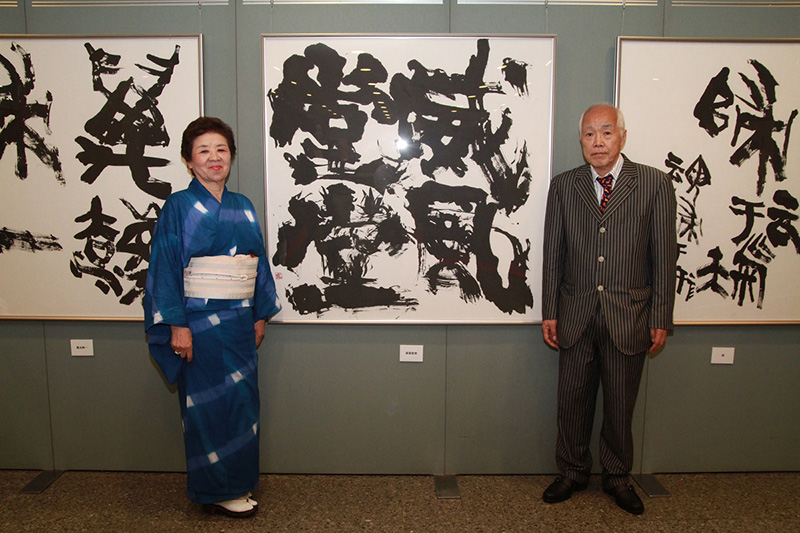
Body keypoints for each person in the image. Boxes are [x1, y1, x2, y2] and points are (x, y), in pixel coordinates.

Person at [540, 104, 677, 515]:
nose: (597, 142)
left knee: (620, 404)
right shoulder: (564, 186)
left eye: (606, 132)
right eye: (589, 134)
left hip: (629, 314)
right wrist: (550, 310)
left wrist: (661, 316)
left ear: (622, 136)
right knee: (572, 400)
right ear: (581, 140)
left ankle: (617, 477)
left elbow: (664, 256)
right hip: (576, 311)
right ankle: (572, 471)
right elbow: (553, 253)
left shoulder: (653, 183)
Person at [144, 117, 281, 518]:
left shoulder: (243, 206)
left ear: (231, 156)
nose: (214, 157)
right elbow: (164, 266)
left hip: (239, 322)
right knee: (208, 407)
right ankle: (217, 489)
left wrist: (259, 314)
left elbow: (258, 263)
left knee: (242, 403)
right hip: (198, 323)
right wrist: (176, 324)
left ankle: (238, 482)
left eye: (221, 149)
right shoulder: (178, 206)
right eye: (203, 150)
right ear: (189, 161)